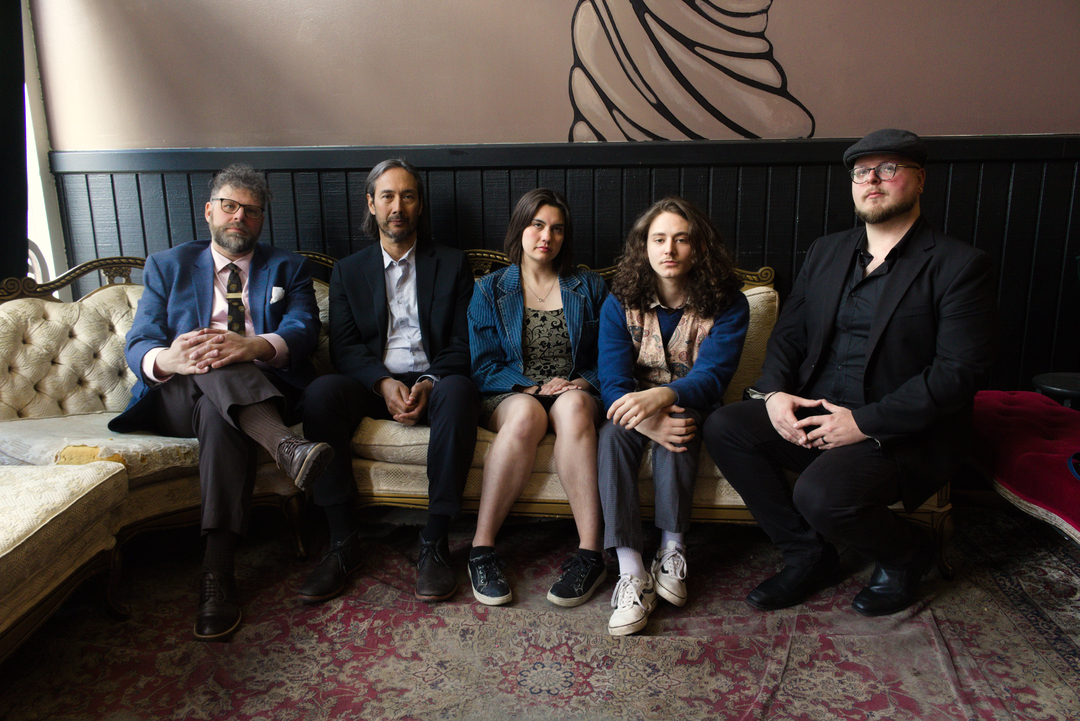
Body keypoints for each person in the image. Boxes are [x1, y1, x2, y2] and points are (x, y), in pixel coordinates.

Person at [703, 129, 996, 617]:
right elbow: (789, 335)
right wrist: (774, 394)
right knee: (726, 426)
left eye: (888, 169)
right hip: (820, 408)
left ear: (920, 180)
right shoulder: (827, 251)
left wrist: (862, 423)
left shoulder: (959, 265)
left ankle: (907, 553)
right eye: (862, 172)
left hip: (898, 431)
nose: (872, 180)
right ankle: (808, 554)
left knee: (819, 495)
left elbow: (958, 373)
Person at [109, 164, 331, 642]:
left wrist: (252, 346)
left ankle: (217, 571)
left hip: (258, 391)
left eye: (250, 211)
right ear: (209, 211)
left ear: (261, 221)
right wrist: (170, 358)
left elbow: (303, 331)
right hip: (177, 393)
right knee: (210, 352)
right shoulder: (167, 265)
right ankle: (285, 447)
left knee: (221, 382)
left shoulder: (288, 267)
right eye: (229, 206)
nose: (239, 217)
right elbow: (140, 340)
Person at [298, 158, 479, 604]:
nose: (398, 206)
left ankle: (435, 541)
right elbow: (344, 348)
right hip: (371, 383)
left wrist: (431, 381)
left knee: (461, 393)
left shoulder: (454, 265)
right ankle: (342, 542)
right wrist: (382, 382)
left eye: (408, 196)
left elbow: (463, 342)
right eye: (388, 196)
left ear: (420, 206)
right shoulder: (348, 271)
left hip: (434, 380)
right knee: (320, 394)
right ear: (372, 205)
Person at [598, 197, 749, 635]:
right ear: (644, 247)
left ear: (698, 248)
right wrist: (642, 417)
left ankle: (672, 549)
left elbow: (712, 377)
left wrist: (661, 400)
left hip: (690, 402)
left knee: (680, 426)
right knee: (611, 436)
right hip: (630, 410)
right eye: (659, 239)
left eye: (682, 239)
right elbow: (612, 382)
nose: (670, 249)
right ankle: (630, 570)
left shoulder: (728, 303)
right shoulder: (619, 302)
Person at [466, 188, 609, 607]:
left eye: (557, 228)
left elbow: (612, 353)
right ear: (520, 228)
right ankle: (482, 550)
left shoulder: (588, 286)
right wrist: (528, 387)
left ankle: (590, 554)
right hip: (511, 392)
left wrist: (581, 382)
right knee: (528, 414)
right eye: (537, 224)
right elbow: (483, 364)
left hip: (573, 389)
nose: (547, 235)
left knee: (576, 405)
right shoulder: (490, 289)